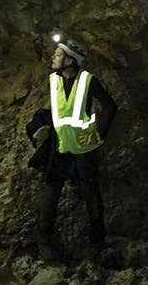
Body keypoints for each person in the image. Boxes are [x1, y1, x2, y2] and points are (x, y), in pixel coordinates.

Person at [28, 36, 117, 260]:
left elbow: (110, 106)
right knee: (50, 193)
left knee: (90, 194)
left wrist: (97, 134)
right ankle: (43, 241)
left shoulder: (88, 80)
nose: (53, 57)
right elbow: (61, 111)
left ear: (70, 60)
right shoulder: (54, 81)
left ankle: (98, 241)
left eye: (58, 54)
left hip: (84, 149)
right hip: (60, 147)